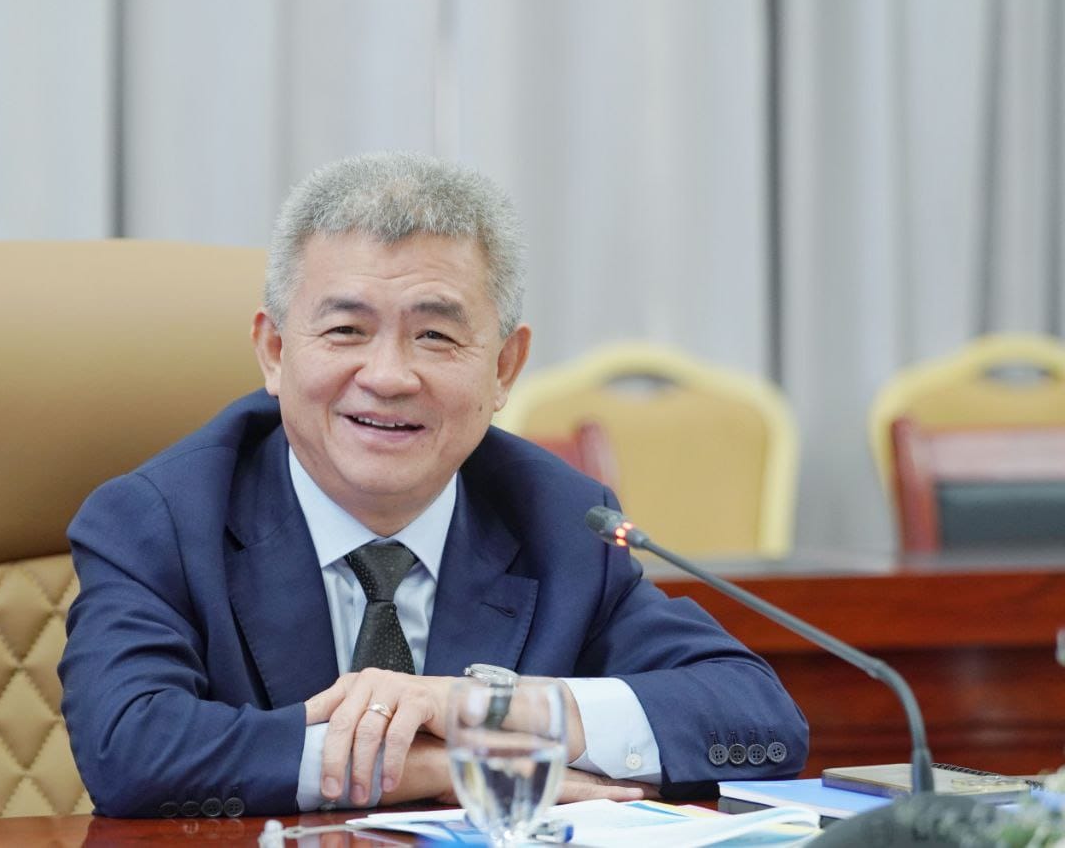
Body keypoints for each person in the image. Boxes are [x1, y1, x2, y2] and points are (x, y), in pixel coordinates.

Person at [58, 151, 808, 818]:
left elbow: (758, 718)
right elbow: (130, 748)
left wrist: (482, 708)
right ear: (275, 350)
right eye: (346, 330)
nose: (388, 376)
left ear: (504, 368)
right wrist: (448, 766)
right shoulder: (159, 519)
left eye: (436, 335)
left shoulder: (558, 520)